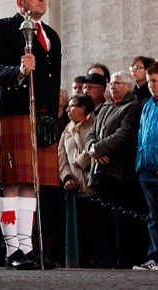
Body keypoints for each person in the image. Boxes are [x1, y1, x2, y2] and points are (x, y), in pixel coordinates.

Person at [0, 0, 62, 270]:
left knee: (31, 184)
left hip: (40, 117)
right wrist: (19, 71)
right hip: (13, 113)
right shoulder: (4, 28)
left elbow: (53, 81)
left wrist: (52, 118)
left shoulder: (51, 36)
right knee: (12, 185)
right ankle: (12, 250)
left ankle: (28, 249)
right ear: (20, 2)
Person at [86, 71, 142, 269]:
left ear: (128, 86)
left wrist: (97, 149)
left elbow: (123, 135)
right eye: (111, 83)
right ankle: (105, 259)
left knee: (121, 222)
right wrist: (93, 149)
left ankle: (122, 261)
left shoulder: (133, 107)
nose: (112, 86)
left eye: (117, 83)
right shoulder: (105, 107)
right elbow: (91, 134)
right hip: (100, 172)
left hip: (120, 173)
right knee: (103, 221)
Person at [132, 61, 158, 270]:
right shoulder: (147, 106)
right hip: (147, 170)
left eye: (154, 81)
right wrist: (140, 164)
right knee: (153, 217)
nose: (151, 85)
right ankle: (154, 256)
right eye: (148, 81)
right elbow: (141, 137)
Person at [58, 94, 96, 267]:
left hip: (93, 185)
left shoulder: (95, 123)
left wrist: (81, 161)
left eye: (71, 106)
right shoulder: (67, 128)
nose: (67, 110)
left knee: (95, 227)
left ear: (83, 108)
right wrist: (66, 177)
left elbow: (96, 146)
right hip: (74, 186)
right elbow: (61, 156)